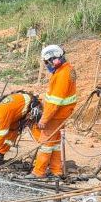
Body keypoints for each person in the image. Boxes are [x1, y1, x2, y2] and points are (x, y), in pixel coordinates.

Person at [29, 44, 77, 178]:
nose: (47, 65)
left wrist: (44, 119)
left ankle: (38, 172)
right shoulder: (67, 69)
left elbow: (55, 102)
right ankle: (56, 171)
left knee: (45, 143)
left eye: (47, 62)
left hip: (56, 115)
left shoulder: (62, 74)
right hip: (62, 114)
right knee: (55, 144)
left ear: (54, 59)